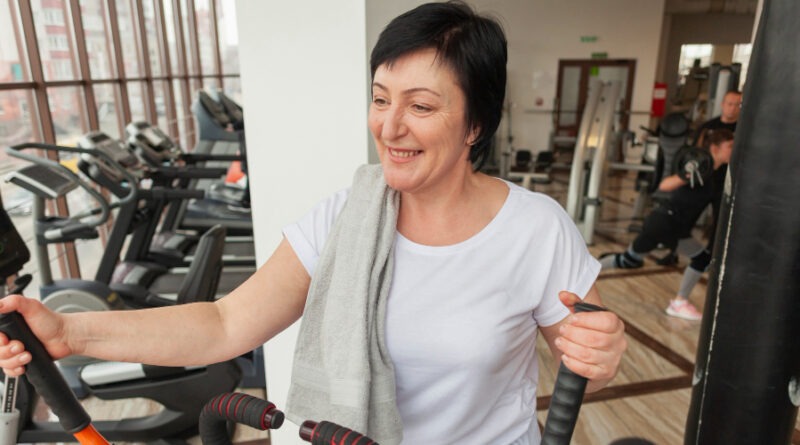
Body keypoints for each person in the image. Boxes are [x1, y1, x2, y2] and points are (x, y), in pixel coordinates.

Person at [0, 2, 626, 444]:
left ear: (476, 125)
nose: (389, 125)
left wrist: (602, 355)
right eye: (381, 99)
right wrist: (70, 332)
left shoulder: (537, 230)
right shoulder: (347, 217)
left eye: (421, 106)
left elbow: (584, 369)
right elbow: (223, 324)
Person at [599, 129, 735, 321]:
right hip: (667, 223)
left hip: (665, 223)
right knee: (702, 259)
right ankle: (679, 302)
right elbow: (665, 185)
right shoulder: (698, 170)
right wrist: (686, 175)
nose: (734, 149)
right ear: (714, 148)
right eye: (730, 146)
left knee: (629, 261)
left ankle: (587, 272)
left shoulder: (711, 173)